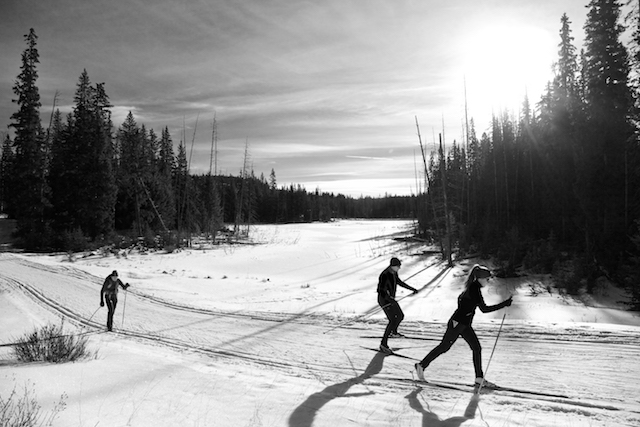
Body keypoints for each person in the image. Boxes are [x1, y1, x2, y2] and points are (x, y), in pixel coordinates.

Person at [414, 264, 512, 387]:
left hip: (464, 324)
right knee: (444, 347)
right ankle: (421, 365)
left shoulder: (473, 288)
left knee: (476, 348)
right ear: (480, 279)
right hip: (458, 323)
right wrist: (504, 304)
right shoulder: (474, 289)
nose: (488, 281)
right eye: (487, 279)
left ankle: (479, 378)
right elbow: (484, 309)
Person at [377, 257, 418, 354]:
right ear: (393, 266)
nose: (399, 268)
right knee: (392, 320)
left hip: (390, 299)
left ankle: (394, 332)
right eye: (398, 266)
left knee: (400, 316)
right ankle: (383, 344)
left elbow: (399, 282)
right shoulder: (384, 274)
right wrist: (389, 299)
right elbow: (381, 290)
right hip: (384, 300)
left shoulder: (393, 273)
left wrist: (412, 289)